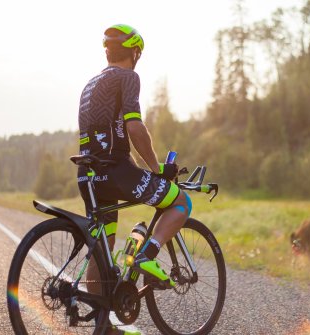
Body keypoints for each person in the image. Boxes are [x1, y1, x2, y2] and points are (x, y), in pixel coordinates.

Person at [77, 23, 192, 293]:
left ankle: (103, 324)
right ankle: (145, 255)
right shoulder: (128, 78)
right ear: (135, 52)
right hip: (116, 171)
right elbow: (134, 127)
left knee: (101, 250)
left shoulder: (90, 84)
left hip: (88, 176)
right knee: (180, 201)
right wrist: (156, 167)